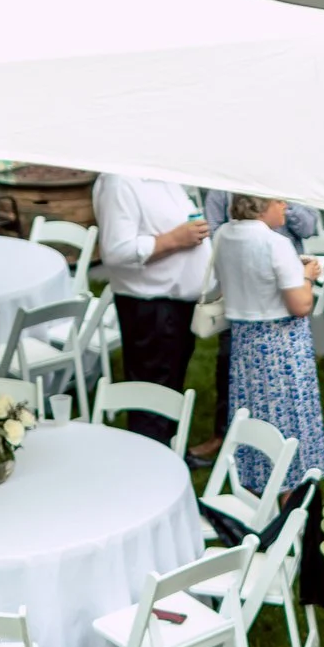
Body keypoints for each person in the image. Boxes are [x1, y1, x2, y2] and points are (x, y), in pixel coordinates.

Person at [215, 195, 324, 495]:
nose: (285, 207)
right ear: (261, 205)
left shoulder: (225, 234)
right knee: (288, 427)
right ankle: (289, 506)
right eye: (279, 202)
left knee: (253, 418)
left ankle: (254, 496)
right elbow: (300, 304)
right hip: (281, 348)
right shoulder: (276, 243)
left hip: (245, 345)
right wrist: (308, 277)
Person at [93, 172, 212, 445]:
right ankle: (146, 462)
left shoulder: (161, 174)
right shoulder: (120, 183)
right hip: (150, 308)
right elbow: (115, 251)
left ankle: (165, 454)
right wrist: (175, 239)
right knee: (151, 395)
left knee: (169, 390)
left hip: (176, 305)